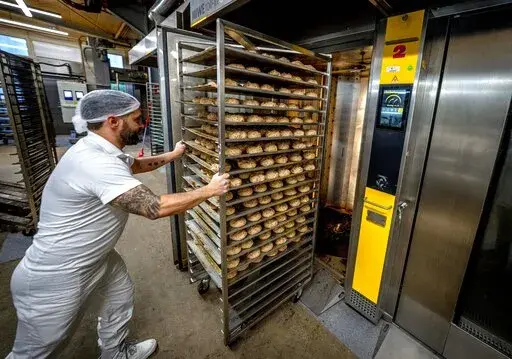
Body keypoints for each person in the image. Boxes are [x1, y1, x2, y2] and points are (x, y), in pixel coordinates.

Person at [7, 90, 229, 359]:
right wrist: (209, 190)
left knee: (119, 295)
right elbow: (155, 207)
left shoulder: (101, 147)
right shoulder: (94, 162)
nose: (142, 124)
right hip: (57, 273)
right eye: (136, 119)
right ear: (114, 121)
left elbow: (134, 166)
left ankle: (114, 352)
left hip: (96, 257)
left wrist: (173, 154)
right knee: (39, 349)